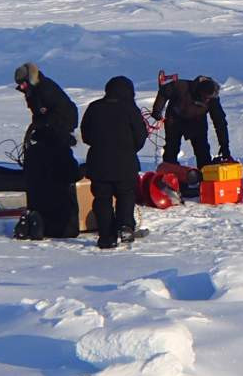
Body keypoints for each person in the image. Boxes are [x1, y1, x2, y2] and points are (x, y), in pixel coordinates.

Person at [14, 62, 81, 239]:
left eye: (23, 83)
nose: (21, 87)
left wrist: (45, 125)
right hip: (48, 128)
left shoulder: (46, 89)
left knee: (57, 161)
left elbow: (62, 111)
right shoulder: (32, 91)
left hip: (59, 126)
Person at [80, 76, 148, 249]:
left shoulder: (94, 107)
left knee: (102, 199)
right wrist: (129, 149)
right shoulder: (130, 109)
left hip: (98, 163)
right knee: (126, 195)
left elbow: (86, 135)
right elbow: (140, 136)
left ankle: (105, 236)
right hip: (125, 163)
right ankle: (125, 226)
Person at [150, 74, 232, 168]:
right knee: (171, 149)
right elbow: (164, 91)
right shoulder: (182, 86)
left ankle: (204, 176)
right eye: (205, 97)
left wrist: (224, 146)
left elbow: (220, 122)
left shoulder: (213, 99)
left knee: (202, 151)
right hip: (175, 119)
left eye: (209, 98)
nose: (207, 100)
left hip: (197, 122)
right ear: (199, 92)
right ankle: (170, 175)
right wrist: (157, 110)